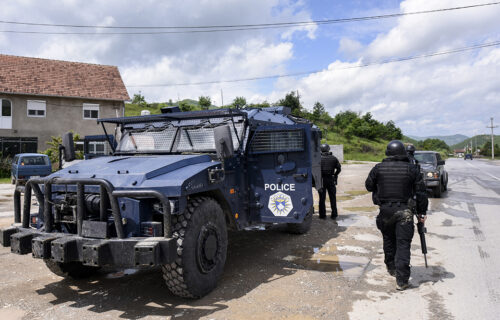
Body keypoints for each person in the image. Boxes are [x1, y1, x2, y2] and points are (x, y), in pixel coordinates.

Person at [365, 140, 428, 290]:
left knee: (388, 240)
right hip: (404, 212)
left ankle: (391, 268)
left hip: (385, 211)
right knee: (403, 245)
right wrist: (422, 213)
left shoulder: (378, 168)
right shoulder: (412, 169)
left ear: (388, 153)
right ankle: (402, 280)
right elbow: (421, 193)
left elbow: (368, 186)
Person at [319, 144, 341, 220]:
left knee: (322, 198)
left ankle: (322, 215)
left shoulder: (318, 159)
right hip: (330, 179)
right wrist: (335, 175)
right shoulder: (334, 158)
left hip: (321, 180)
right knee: (332, 197)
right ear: (328, 149)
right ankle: (334, 214)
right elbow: (339, 169)